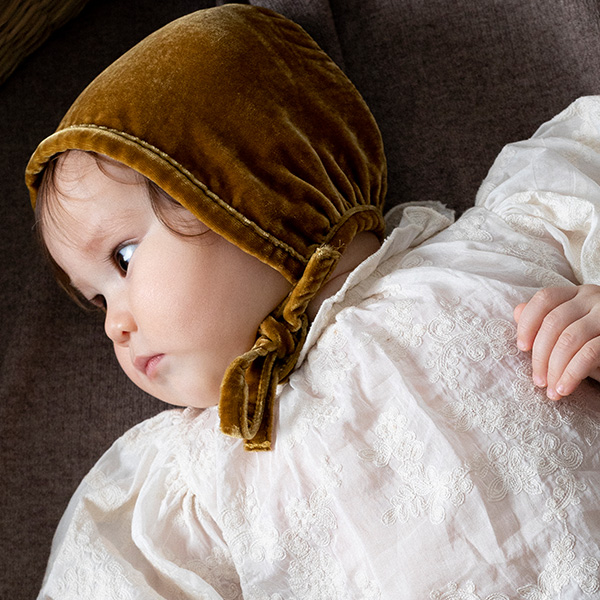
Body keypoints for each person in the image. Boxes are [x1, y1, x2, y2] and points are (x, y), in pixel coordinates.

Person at [26, 5, 599, 599]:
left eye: (123, 259)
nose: (113, 326)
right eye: (98, 300)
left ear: (248, 183)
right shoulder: (188, 486)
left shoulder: (506, 243)